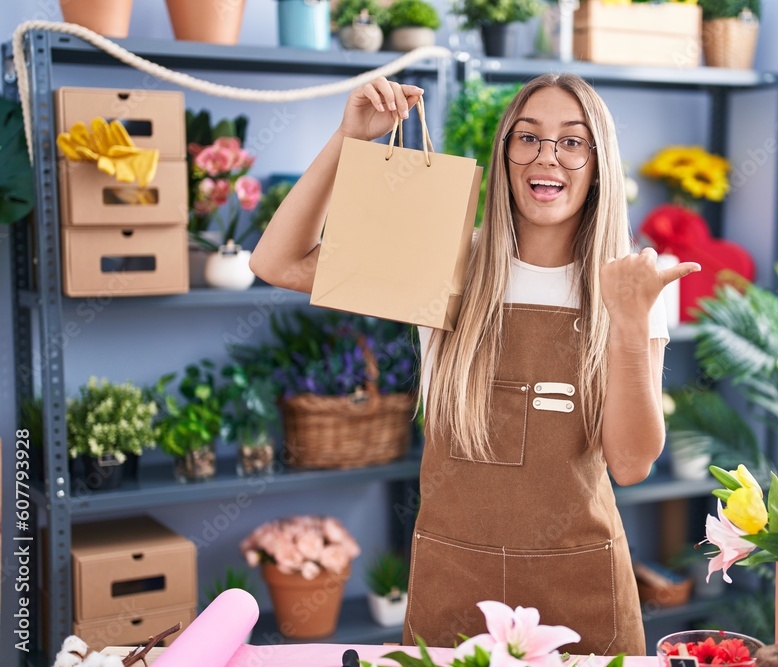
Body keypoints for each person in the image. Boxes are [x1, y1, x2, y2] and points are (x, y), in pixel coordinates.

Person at [250, 74, 700, 655]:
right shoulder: (444, 259)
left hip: (580, 580)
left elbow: (633, 463)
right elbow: (277, 261)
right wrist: (349, 139)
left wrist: (633, 325)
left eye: (572, 141)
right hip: (454, 578)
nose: (548, 157)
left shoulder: (628, 282)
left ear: (599, 162)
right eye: (528, 137)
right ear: (506, 153)